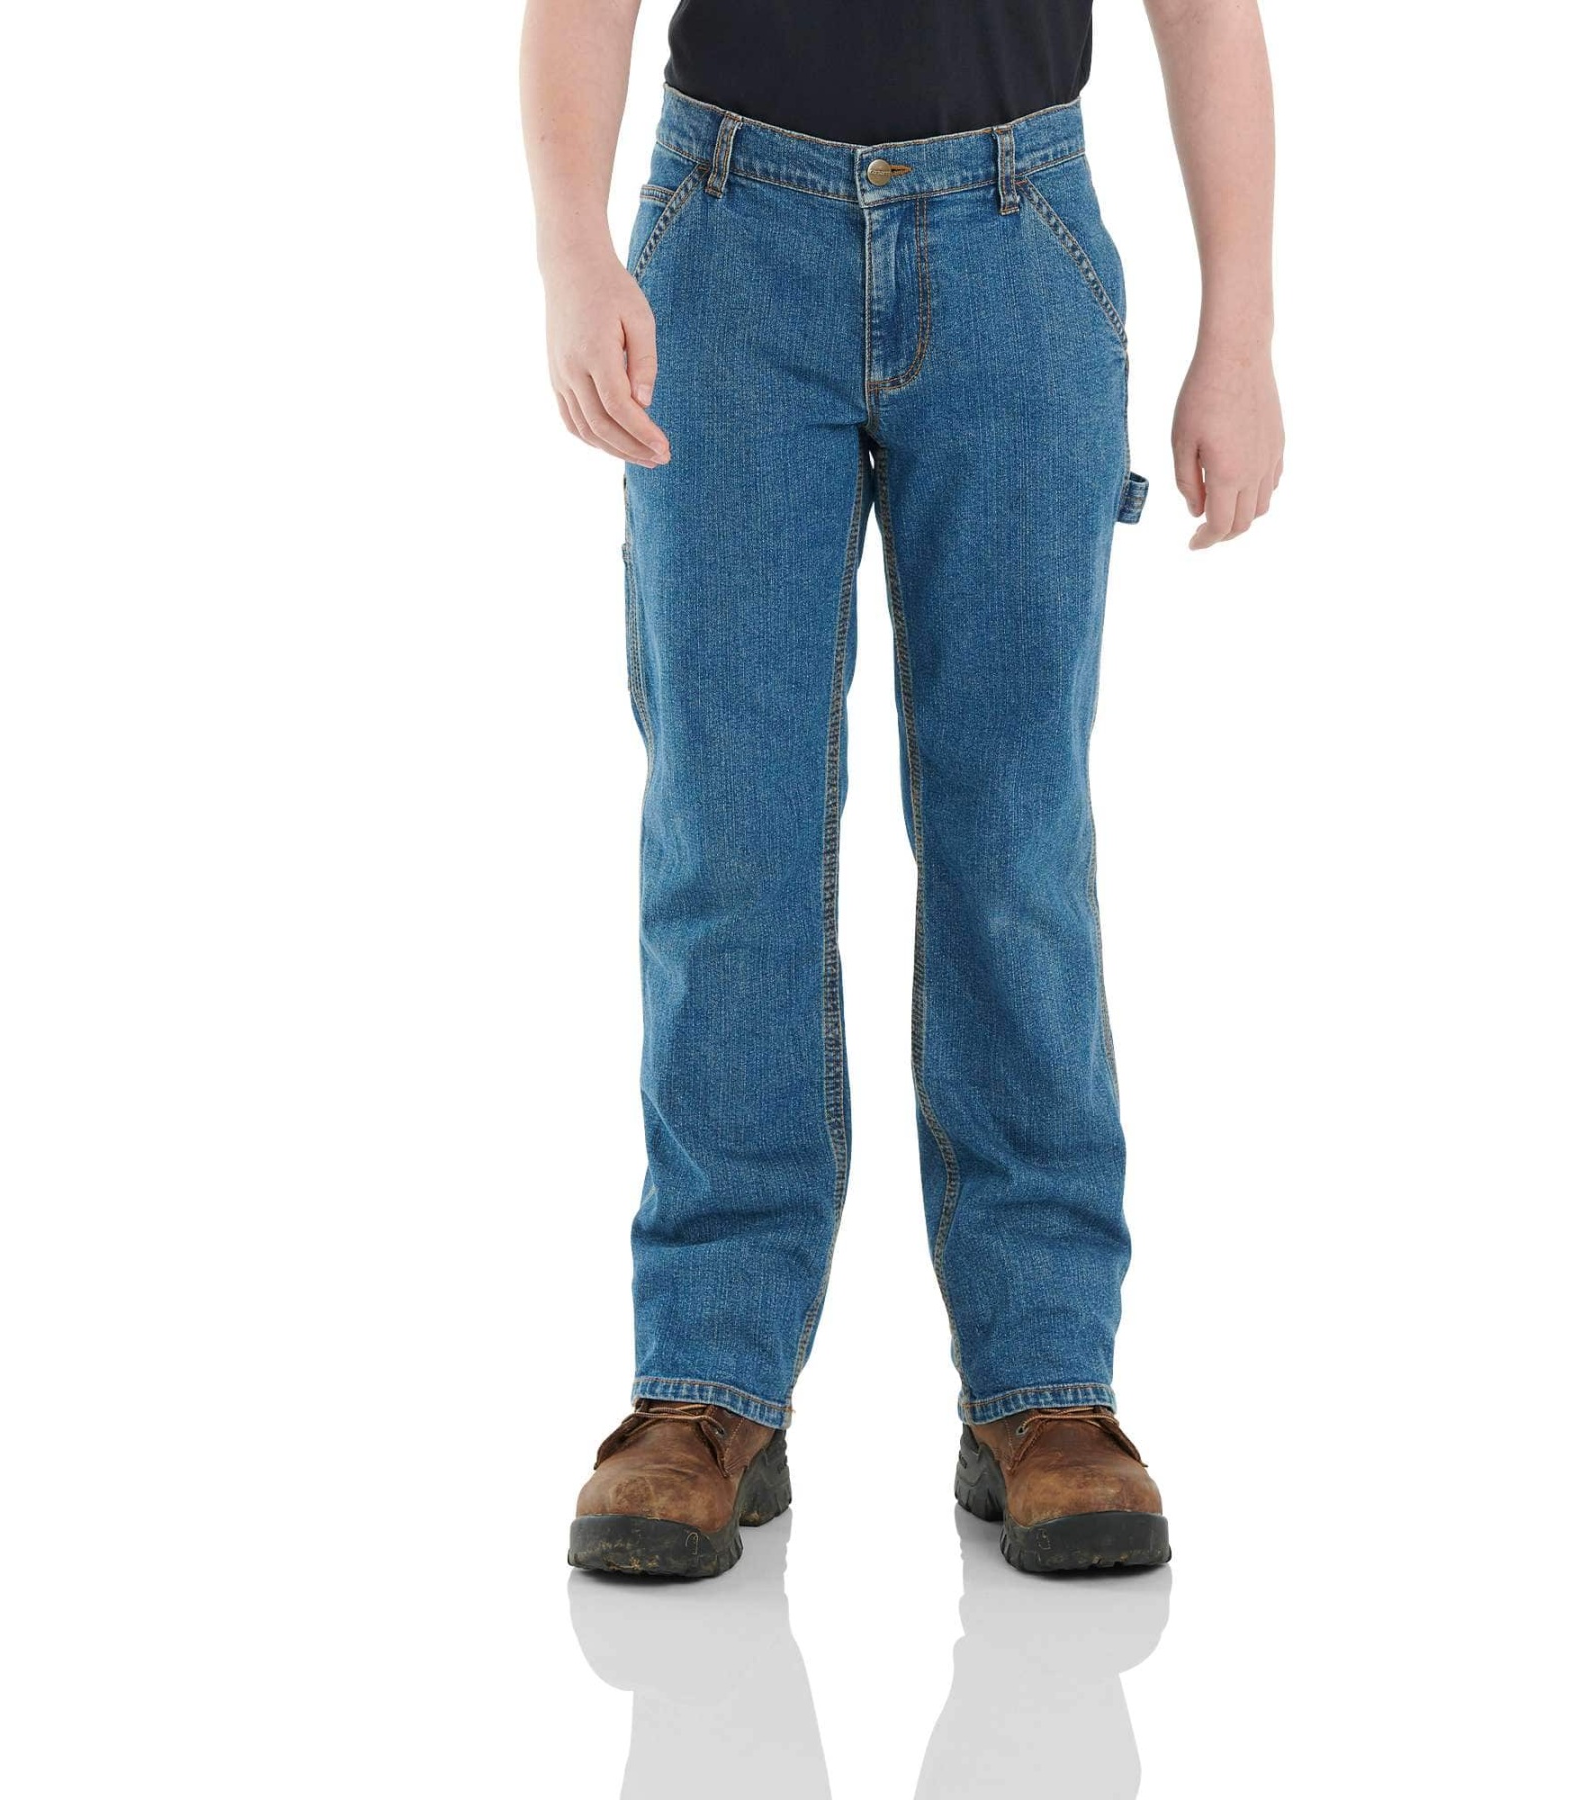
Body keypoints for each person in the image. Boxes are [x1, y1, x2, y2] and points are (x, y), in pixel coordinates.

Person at [522, 0, 1283, 1579]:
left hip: (1019, 242)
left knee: (1016, 845)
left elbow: (1207, 15)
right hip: (728, 246)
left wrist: (1240, 337)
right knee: (728, 842)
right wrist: (573, 255)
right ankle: (706, 1382)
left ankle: (1046, 1385)